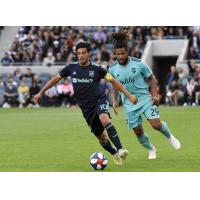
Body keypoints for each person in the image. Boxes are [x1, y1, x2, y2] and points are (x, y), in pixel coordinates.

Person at [33, 41, 138, 165]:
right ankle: (114, 153)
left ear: (89, 54)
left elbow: (114, 81)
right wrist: (41, 92)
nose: (81, 55)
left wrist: (129, 95)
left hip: (99, 100)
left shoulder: (98, 70)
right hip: (86, 109)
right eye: (78, 53)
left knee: (105, 120)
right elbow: (55, 79)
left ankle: (120, 149)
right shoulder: (71, 68)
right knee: (102, 138)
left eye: (83, 53)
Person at [109, 29, 181, 159]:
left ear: (128, 51)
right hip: (128, 103)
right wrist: (114, 101)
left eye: (122, 53)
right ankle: (151, 149)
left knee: (156, 125)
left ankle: (170, 136)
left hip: (144, 98)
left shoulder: (139, 63)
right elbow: (114, 85)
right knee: (138, 131)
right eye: (117, 54)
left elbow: (152, 78)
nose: (120, 56)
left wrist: (154, 95)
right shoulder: (113, 69)